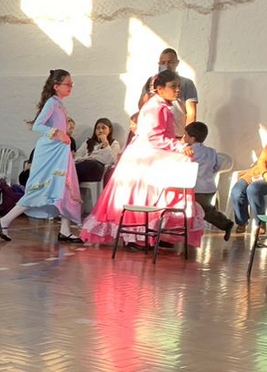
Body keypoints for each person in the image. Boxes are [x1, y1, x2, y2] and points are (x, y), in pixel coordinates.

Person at [80, 69, 196, 247]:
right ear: (160, 88)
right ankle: (136, 236)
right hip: (144, 159)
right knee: (142, 197)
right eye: (173, 86)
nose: (177, 90)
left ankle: (156, 232)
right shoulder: (156, 108)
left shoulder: (161, 106)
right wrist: (179, 146)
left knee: (158, 191)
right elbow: (154, 137)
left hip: (149, 156)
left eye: (178, 86)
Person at [0, 69, 83, 242]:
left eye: (72, 84)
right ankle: (4, 220)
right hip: (50, 153)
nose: (71, 87)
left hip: (60, 152)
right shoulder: (52, 103)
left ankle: (65, 230)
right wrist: (57, 132)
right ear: (56, 86)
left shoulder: (59, 104)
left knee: (65, 188)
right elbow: (38, 125)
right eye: (68, 84)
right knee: (40, 188)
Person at [182, 121, 233, 236]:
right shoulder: (211, 151)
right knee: (205, 210)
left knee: (206, 211)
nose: (183, 137)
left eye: (186, 135)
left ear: (192, 138)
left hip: (197, 188)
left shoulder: (188, 152)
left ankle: (226, 224)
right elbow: (216, 167)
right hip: (209, 187)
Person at [141, 49, 198, 126]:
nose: (167, 66)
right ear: (159, 64)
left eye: (170, 62)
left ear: (177, 63)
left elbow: (191, 113)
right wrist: (152, 91)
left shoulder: (187, 83)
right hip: (154, 129)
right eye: (163, 63)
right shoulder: (152, 81)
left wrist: (187, 132)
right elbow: (141, 106)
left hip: (177, 131)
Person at [75, 118, 121, 186]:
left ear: (109, 130)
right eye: (98, 128)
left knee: (91, 164)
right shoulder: (88, 142)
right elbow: (76, 157)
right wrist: (87, 158)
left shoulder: (114, 143)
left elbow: (111, 161)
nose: (100, 130)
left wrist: (105, 142)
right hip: (83, 166)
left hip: (98, 169)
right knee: (72, 167)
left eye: (103, 128)